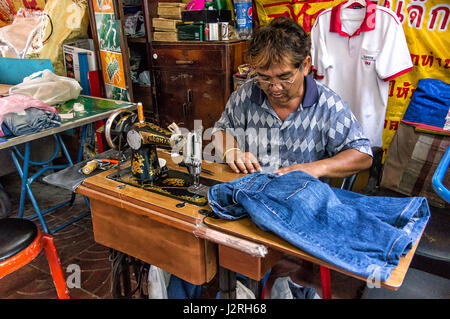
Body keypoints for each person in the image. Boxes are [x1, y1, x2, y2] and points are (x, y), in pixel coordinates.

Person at [211, 16, 373, 297]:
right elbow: (220, 131)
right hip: (250, 202)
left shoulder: (328, 106)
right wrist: (232, 150)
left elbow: (362, 155)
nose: (274, 87)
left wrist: (315, 168)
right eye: (265, 77)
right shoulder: (247, 95)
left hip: (297, 211)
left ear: (306, 65)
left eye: (285, 77)